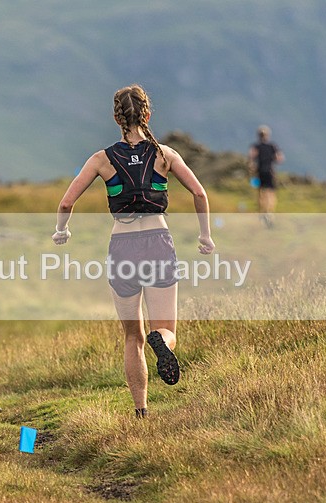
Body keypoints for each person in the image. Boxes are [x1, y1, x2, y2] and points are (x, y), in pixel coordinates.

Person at [53, 85, 214, 418]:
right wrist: (205, 236)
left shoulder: (101, 159)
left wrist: (61, 231)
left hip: (122, 247)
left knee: (132, 336)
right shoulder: (165, 155)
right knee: (166, 330)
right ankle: (163, 342)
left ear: (116, 118)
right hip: (158, 241)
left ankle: (141, 410)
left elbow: (67, 201)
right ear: (148, 115)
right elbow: (199, 193)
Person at [248, 125, 284, 227]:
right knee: (271, 193)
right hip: (270, 172)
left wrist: (252, 168)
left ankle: (262, 212)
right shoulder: (272, 146)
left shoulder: (256, 147)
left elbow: (251, 158)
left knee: (261, 192)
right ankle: (269, 212)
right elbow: (279, 158)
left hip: (260, 172)